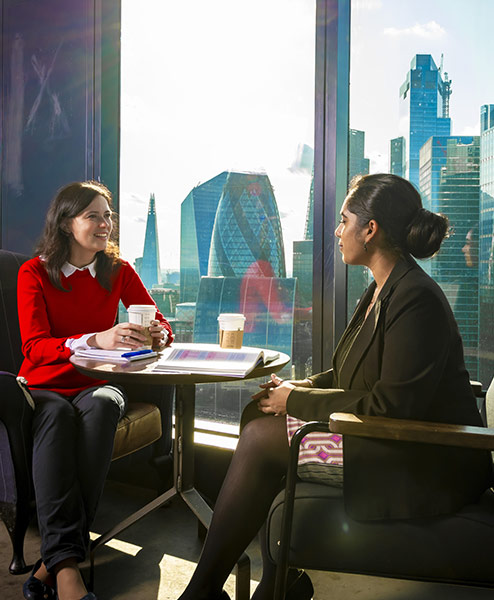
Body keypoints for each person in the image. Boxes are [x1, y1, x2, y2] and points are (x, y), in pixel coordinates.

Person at [177, 173, 493, 600]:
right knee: (259, 411)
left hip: (423, 458)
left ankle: (205, 591)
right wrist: (299, 386)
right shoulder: (381, 289)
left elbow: (390, 404)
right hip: (388, 439)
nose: (338, 231)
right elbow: (350, 375)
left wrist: (297, 400)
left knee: (261, 436)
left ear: (371, 229)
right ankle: (276, 581)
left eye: (344, 220)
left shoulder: (416, 299)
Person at [18, 181, 173, 600]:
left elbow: (161, 322)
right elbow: (34, 347)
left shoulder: (118, 271)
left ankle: (53, 560)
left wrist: (157, 334)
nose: (105, 224)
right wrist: (95, 339)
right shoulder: (33, 272)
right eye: (94, 215)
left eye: (108, 215)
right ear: (67, 223)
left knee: (105, 405)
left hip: (95, 384)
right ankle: (68, 574)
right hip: (44, 384)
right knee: (55, 415)